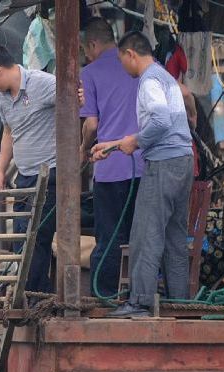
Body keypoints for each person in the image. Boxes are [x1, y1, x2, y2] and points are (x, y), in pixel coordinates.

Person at [91, 31, 194, 318]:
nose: (122, 68)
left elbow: (160, 119)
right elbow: (179, 111)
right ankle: (180, 303)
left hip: (162, 165)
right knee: (175, 236)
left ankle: (139, 302)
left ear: (129, 55)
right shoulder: (164, 77)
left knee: (144, 234)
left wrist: (136, 141)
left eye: (121, 61)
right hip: (182, 161)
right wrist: (113, 145)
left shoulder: (149, 80)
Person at [0, 43, 57, 293]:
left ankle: (34, 293)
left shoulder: (43, 83)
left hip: (50, 173)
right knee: (21, 235)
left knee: (38, 236)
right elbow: (8, 133)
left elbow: (77, 101)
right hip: (24, 175)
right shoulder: (1, 98)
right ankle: (27, 291)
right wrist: (1, 169)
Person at [79, 17, 145, 298]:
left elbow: (92, 124)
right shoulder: (140, 66)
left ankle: (105, 297)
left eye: (85, 49)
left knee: (108, 238)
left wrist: (83, 149)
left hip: (109, 167)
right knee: (139, 237)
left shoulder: (90, 72)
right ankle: (138, 296)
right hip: (143, 165)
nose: (85, 55)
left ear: (92, 44)